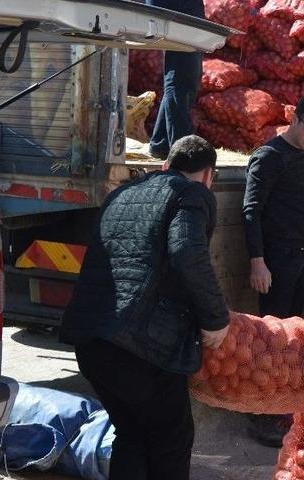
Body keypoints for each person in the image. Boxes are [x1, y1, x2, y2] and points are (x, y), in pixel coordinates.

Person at [60, 135, 230, 480]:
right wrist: (215, 319)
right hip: (141, 349)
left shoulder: (122, 193)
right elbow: (187, 253)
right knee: (171, 439)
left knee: (133, 435)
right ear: (209, 174)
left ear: (166, 165)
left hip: (91, 341)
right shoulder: (191, 193)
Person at [242, 94, 304, 446]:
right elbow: (251, 211)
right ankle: (259, 417)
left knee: (290, 339)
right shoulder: (268, 157)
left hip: (301, 259)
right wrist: (257, 261)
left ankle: (280, 409)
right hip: (275, 262)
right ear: (294, 119)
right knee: (270, 341)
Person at [146, 0, 204, 159]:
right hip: (179, 12)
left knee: (184, 78)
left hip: (181, 12)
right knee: (181, 81)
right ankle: (182, 150)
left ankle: (161, 143)